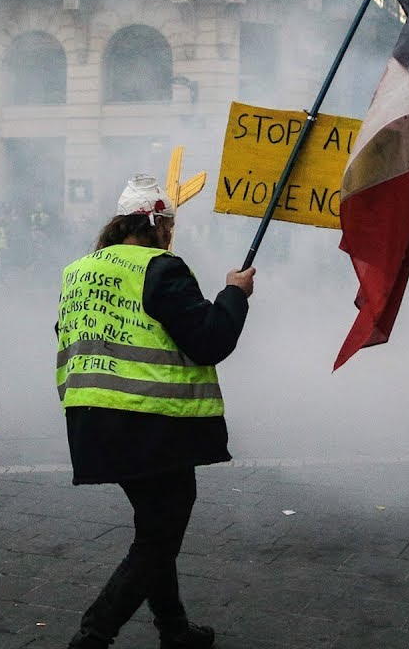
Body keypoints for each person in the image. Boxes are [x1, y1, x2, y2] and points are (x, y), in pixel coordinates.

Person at [56, 174, 255, 649]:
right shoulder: (160, 268)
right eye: (170, 225)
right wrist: (234, 294)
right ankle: (93, 635)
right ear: (158, 224)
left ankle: (174, 628)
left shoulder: (79, 269)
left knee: (155, 526)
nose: (171, 234)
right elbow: (209, 340)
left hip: (93, 417)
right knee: (159, 536)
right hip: (151, 422)